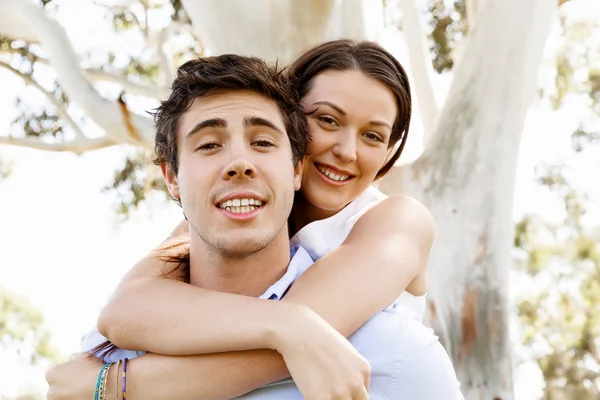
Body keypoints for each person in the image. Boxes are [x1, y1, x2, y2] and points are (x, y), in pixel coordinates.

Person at [47, 41, 463, 399]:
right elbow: (126, 310)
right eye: (328, 120)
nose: (347, 150)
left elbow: (300, 342)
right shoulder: (226, 212)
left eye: (373, 136)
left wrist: (119, 386)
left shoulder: (395, 222)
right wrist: (287, 323)